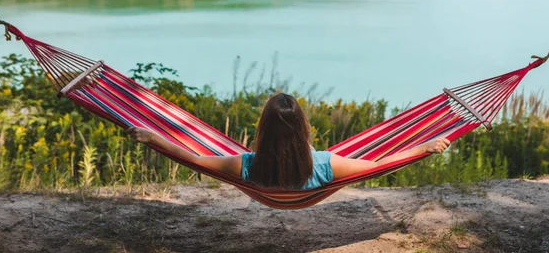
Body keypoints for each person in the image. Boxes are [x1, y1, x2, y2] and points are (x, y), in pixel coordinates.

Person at [127, 93, 450, 190]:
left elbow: (194, 159)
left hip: (270, 169)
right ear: (302, 129)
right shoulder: (325, 164)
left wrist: (154, 137)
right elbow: (376, 168)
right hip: (307, 167)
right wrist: (422, 148)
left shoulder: (247, 164)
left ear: (263, 129)